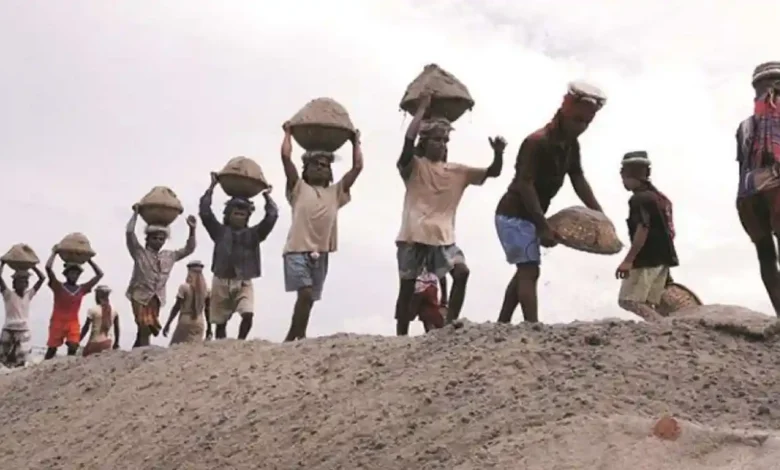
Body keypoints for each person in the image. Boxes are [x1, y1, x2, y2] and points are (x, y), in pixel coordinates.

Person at [495, 81, 606, 324]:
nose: (581, 127)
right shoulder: (537, 142)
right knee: (530, 270)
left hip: (533, 215)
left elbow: (578, 178)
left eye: (586, 123)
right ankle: (532, 326)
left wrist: (598, 213)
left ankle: (502, 323)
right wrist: (542, 225)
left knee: (525, 268)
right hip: (514, 214)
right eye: (578, 120)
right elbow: (525, 183)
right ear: (565, 112)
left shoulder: (570, 145)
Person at [394, 93, 505, 336]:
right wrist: (422, 109)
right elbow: (407, 143)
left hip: (444, 238)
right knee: (407, 288)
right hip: (414, 235)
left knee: (462, 273)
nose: (441, 145)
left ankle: (449, 325)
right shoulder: (414, 167)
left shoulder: (458, 172)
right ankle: (400, 336)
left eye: (444, 141)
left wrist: (498, 153)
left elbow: (493, 172)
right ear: (425, 143)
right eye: (436, 140)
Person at [280, 121, 362, 341]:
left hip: (321, 252)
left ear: (330, 173)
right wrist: (288, 133)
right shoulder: (298, 188)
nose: (320, 167)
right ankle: (292, 338)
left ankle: (298, 337)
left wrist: (356, 143)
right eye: (315, 164)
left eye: (325, 165)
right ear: (305, 170)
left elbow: (357, 169)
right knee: (305, 293)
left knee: (310, 298)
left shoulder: (335, 193)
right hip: (296, 249)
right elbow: (286, 159)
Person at [200, 175, 278, 340]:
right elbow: (205, 212)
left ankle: (240, 344)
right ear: (228, 215)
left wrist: (267, 197)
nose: (240, 217)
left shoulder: (254, 234)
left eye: (243, 214)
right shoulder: (219, 231)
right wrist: (212, 187)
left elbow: (271, 218)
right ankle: (221, 349)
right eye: (236, 213)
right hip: (221, 280)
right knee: (220, 323)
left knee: (248, 314)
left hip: (243, 280)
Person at [735, 62, 780, 316]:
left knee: (765, 256)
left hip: (748, 193)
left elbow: (743, 165)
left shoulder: (745, 125)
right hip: (775, 186)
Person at [615, 151, 679, 321]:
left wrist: (628, 260)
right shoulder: (660, 198)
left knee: (628, 300)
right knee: (649, 301)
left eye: (623, 176)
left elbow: (643, 228)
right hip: (663, 257)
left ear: (628, 174)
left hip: (647, 258)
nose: (622, 182)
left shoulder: (639, 199)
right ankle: (660, 328)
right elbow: (669, 230)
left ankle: (661, 326)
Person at [126, 207, 197, 347]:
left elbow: (189, 249)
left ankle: (137, 352)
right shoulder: (139, 253)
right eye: (155, 238)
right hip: (140, 294)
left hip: (156, 297)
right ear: (148, 239)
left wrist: (192, 230)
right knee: (143, 325)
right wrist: (135, 214)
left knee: (146, 329)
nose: (158, 241)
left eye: (161, 239)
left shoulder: (169, 256)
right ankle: (143, 352)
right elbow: (129, 233)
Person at [44, 248, 103, 359]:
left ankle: (67, 368)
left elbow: (99, 274)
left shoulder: (81, 289)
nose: (74, 276)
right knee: (52, 349)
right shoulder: (58, 286)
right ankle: (42, 369)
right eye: (72, 273)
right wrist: (54, 253)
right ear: (66, 274)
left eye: (76, 274)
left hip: (73, 321)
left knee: (73, 345)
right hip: (57, 320)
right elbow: (48, 268)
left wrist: (88, 260)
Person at [0, 263, 45, 367]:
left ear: (27, 284)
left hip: (23, 331)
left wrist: (32, 266)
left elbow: (42, 278)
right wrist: (3, 264)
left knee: (21, 359)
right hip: (9, 329)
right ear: (14, 284)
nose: (21, 284)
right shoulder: (8, 294)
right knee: (4, 358)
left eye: (24, 282)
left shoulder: (28, 295)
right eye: (19, 281)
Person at [162, 260, 212, 345]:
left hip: (185, 320)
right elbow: (207, 310)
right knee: (194, 348)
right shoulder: (206, 290)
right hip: (199, 322)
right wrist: (209, 328)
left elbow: (176, 307)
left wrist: (168, 324)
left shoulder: (184, 288)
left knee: (176, 347)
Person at [80, 285, 120, 357]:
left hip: (94, 343)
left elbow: (86, 328)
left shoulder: (93, 310)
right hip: (108, 343)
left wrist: (78, 340)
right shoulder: (114, 310)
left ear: (97, 296)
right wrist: (116, 343)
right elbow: (117, 328)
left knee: (84, 354)